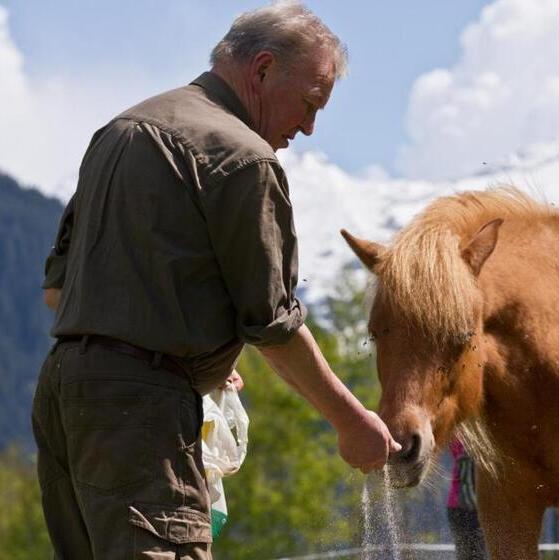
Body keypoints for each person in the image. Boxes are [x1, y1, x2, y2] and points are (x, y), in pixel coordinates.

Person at [32, 3, 400, 558]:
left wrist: (193, 355)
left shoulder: (121, 130)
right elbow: (272, 326)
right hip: (141, 414)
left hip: (66, 395)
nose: (308, 126)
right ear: (262, 70)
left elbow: (57, 292)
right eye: (309, 103)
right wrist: (353, 424)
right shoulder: (244, 159)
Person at [447, 438, 488, 560]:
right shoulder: (470, 441)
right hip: (466, 506)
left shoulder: (460, 439)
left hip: (457, 506)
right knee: (473, 554)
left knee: (469, 554)